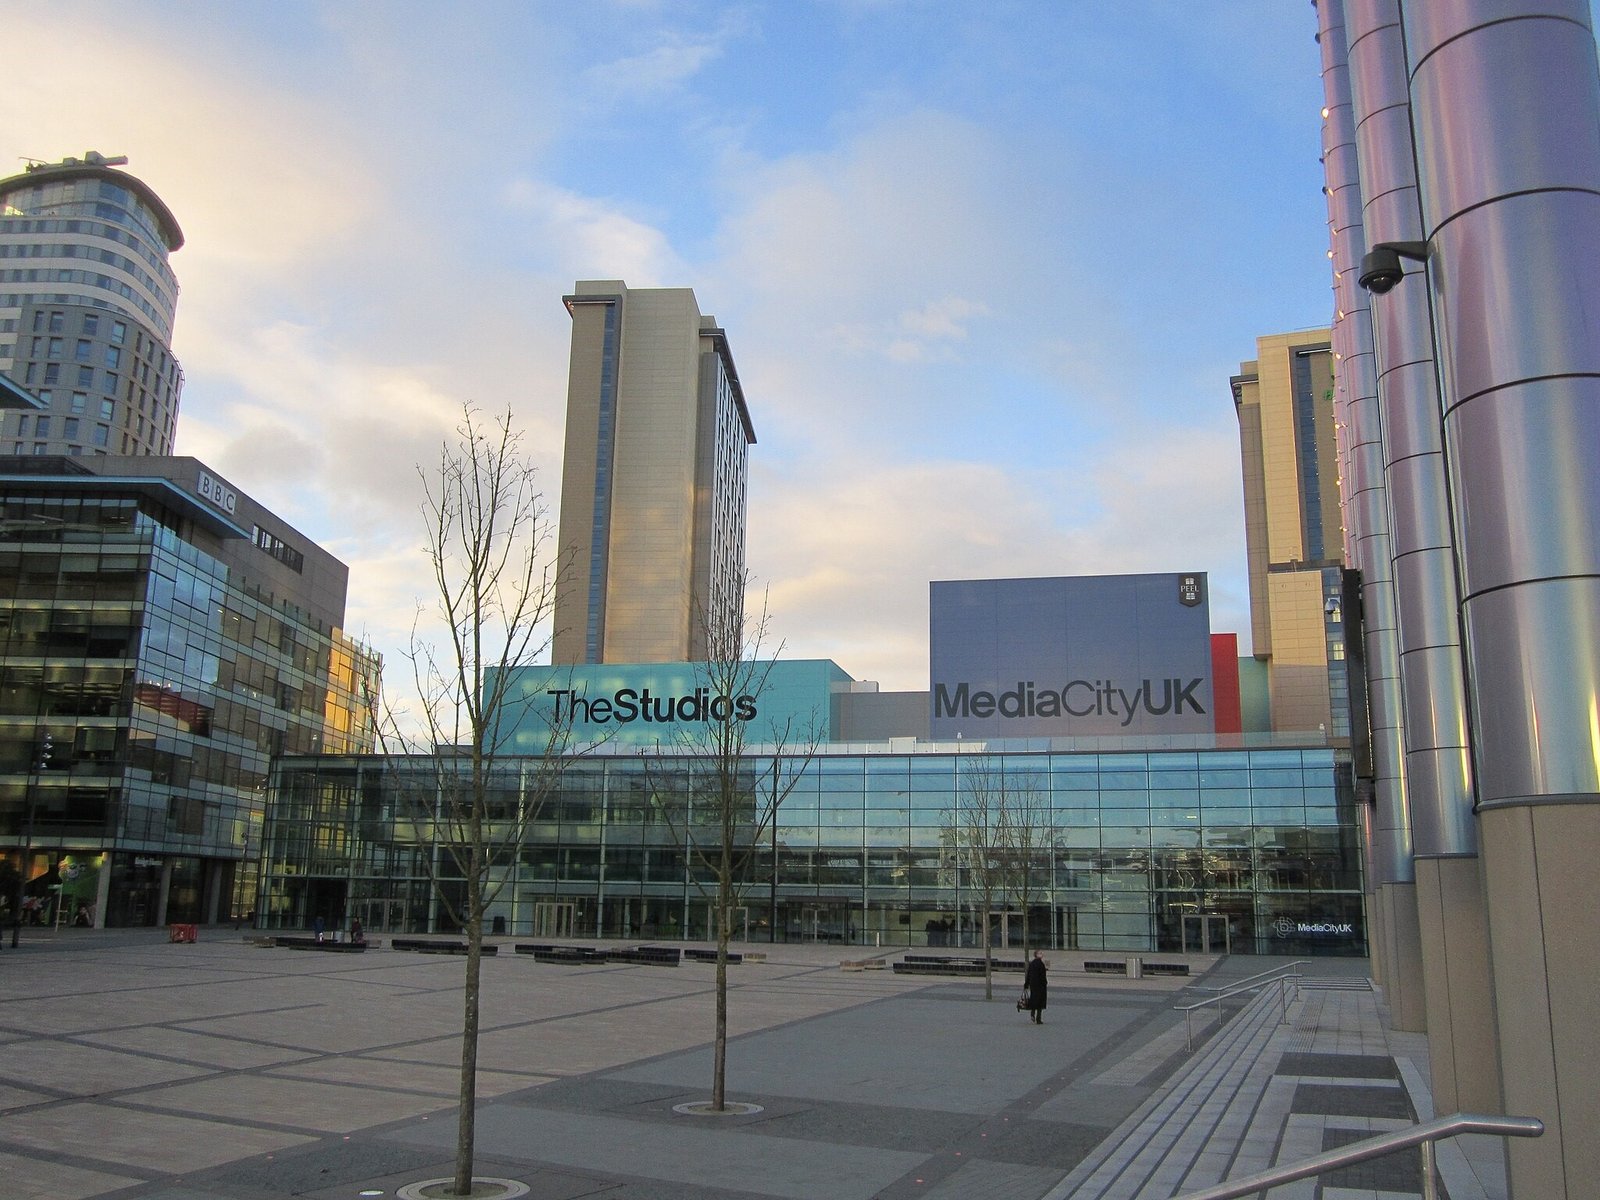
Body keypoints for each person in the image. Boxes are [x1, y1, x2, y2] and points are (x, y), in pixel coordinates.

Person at [1023, 949, 1048, 1024]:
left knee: (1034, 999)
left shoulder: (1032, 963)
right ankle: (1038, 1018)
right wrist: (1045, 983)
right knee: (1040, 1002)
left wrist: (1026, 984)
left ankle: (1032, 1013)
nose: (1042, 954)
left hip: (1033, 985)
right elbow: (1043, 976)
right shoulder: (1041, 964)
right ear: (1036, 955)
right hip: (1040, 985)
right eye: (1040, 953)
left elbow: (1029, 974)